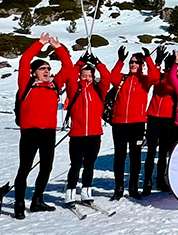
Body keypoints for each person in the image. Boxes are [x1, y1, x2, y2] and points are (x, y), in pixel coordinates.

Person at [13, 33, 72, 219]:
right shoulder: (26, 84)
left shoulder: (55, 86)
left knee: (46, 168)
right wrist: (40, 43)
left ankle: (37, 199)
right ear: (34, 72)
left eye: (48, 68)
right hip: (30, 132)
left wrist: (58, 48)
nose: (46, 71)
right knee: (24, 168)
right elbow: (25, 60)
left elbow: (68, 67)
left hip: (48, 132)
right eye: (42, 68)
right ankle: (19, 203)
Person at [109, 46, 160, 200]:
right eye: (131, 62)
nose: (133, 64)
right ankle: (118, 187)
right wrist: (120, 61)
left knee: (135, 156)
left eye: (136, 62)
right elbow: (112, 77)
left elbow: (155, 77)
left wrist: (148, 59)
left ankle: (133, 187)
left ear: (141, 65)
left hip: (137, 123)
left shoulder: (144, 80)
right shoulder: (123, 78)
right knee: (119, 156)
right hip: (119, 123)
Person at [63, 51, 111, 205]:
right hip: (77, 135)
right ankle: (70, 192)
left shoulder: (99, 90)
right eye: (84, 76)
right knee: (76, 165)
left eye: (90, 76)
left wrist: (98, 64)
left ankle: (86, 191)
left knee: (89, 165)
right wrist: (79, 64)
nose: (87, 78)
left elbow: (107, 77)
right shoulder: (74, 89)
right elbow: (70, 77)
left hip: (94, 135)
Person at [143, 46, 174, 195]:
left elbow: (169, 87)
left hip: (167, 117)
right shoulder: (159, 77)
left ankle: (160, 179)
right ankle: (147, 180)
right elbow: (153, 77)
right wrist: (156, 62)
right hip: (153, 116)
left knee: (163, 152)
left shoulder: (175, 78)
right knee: (151, 151)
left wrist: (169, 70)